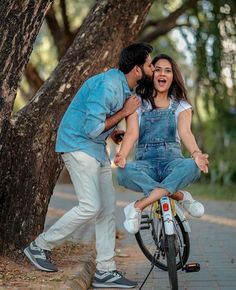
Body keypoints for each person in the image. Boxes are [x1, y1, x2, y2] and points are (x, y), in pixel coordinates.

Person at [24, 43, 155, 289]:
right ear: (137, 70)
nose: (153, 68)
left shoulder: (124, 89)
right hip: (77, 145)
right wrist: (123, 114)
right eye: (149, 65)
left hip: (95, 149)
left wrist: (115, 131)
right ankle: (39, 246)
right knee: (90, 206)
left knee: (107, 209)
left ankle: (105, 270)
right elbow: (91, 128)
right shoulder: (107, 85)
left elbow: (100, 125)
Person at [115, 54, 209, 234]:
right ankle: (181, 196)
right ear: (151, 74)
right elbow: (132, 133)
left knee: (192, 166)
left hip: (171, 164)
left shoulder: (181, 105)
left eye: (167, 70)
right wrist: (122, 155)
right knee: (122, 171)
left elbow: (185, 132)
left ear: (173, 76)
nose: (162, 74)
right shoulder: (138, 103)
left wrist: (196, 153)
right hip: (145, 164)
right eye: (157, 69)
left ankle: (138, 206)